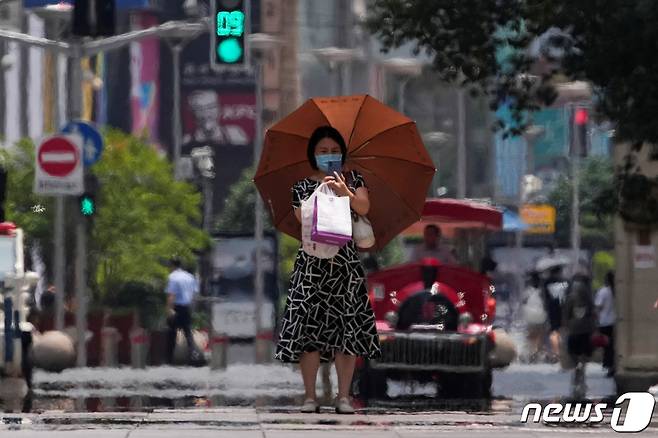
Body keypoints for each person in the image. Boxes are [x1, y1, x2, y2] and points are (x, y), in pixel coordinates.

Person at [274, 125, 381, 414]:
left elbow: (364, 206)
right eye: (323, 152)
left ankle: (343, 396)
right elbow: (301, 218)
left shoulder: (353, 179)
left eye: (334, 151)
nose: (329, 156)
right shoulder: (302, 187)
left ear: (343, 154)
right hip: (312, 265)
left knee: (347, 329)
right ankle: (310, 397)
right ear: (313, 155)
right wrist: (324, 191)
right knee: (308, 332)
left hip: (345, 265)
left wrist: (343, 189)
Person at [563, 275, 597, 399]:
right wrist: (594, 329)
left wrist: (566, 327)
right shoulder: (589, 299)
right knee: (583, 357)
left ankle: (577, 374)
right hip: (586, 331)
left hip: (574, 331)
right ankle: (581, 373)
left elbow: (566, 314)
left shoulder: (571, 298)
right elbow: (593, 316)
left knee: (575, 356)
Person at [166, 257, 201, 365]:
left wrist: (169, 309)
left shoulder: (172, 277)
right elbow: (195, 294)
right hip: (187, 307)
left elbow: (171, 295)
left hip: (176, 307)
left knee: (171, 333)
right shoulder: (189, 276)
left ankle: (169, 359)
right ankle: (194, 356)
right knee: (188, 333)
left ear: (172, 265)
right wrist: (193, 308)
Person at [183, 90, 248, 145]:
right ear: (192, 112)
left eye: (211, 107)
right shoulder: (187, 141)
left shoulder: (235, 134)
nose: (207, 113)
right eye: (199, 108)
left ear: (219, 109)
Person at [543, 265, 569, 362]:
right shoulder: (566, 281)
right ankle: (564, 351)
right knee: (564, 330)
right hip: (564, 308)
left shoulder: (547, 282)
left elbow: (545, 297)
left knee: (554, 331)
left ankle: (556, 352)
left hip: (552, 308)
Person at [521, 271, 547, 363]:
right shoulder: (543, 290)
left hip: (530, 316)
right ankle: (535, 353)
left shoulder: (527, 291)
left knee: (531, 336)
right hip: (541, 316)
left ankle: (531, 353)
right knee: (539, 336)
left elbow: (523, 302)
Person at [595, 271, 616, 377]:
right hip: (615, 322)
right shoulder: (617, 291)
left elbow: (598, 306)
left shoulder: (603, 291)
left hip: (604, 322)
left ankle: (609, 366)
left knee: (607, 347)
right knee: (613, 346)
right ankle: (613, 366)